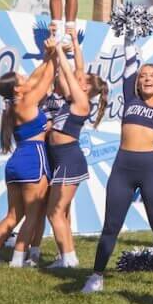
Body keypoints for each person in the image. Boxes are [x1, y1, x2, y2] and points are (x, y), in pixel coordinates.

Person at [82, 27, 153, 294]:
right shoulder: (131, 97)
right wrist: (130, 36)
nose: (146, 79)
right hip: (123, 168)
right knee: (111, 225)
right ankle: (96, 275)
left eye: (152, 76)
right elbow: (130, 61)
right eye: (143, 76)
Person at [0, 41, 58, 267]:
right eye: (21, 78)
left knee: (13, 215)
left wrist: (46, 56)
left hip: (16, 163)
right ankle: (17, 259)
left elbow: (36, 77)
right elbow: (46, 79)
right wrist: (55, 55)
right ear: (16, 88)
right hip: (34, 159)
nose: (26, 78)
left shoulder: (14, 105)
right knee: (33, 214)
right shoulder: (27, 101)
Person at [44, 34, 107, 268]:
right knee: (63, 213)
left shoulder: (82, 102)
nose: (79, 77)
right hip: (61, 157)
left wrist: (60, 50)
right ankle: (66, 256)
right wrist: (74, 42)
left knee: (55, 211)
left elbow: (71, 73)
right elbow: (76, 69)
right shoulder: (73, 99)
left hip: (69, 158)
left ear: (86, 87)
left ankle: (69, 259)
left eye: (83, 79)